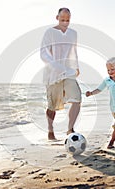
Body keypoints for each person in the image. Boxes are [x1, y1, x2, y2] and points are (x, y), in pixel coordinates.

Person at [40, 8, 81, 140]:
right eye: (62, 19)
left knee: (77, 98)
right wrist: (57, 67)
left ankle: (70, 129)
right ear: (57, 17)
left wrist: (76, 67)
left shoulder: (73, 33)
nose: (65, 22)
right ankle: (50, 130)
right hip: (53, 73)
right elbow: (44, 53)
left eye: (67, 20)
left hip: (69, 72)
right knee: (52, 105)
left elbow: (74, 51)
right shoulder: (49, 32)